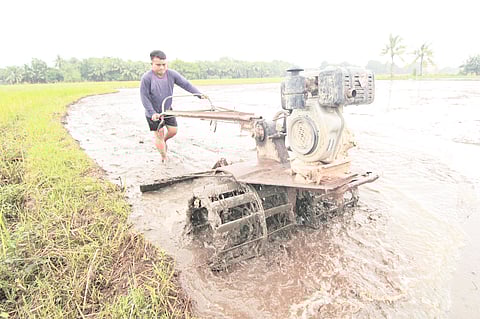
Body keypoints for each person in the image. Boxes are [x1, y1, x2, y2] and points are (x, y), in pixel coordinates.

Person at [140, 50, 207, 162]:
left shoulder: (171, 74)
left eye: (164, 64)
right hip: (153, 113)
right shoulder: (147, 78)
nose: (161, 67)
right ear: (152, 64)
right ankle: (164, 158)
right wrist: (152, 113)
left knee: (173, 131)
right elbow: (144, 97)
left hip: (167, 110)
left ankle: (163, 141)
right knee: (159, 134)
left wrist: (198, 94)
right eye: (158, 65)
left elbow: (185, 84)